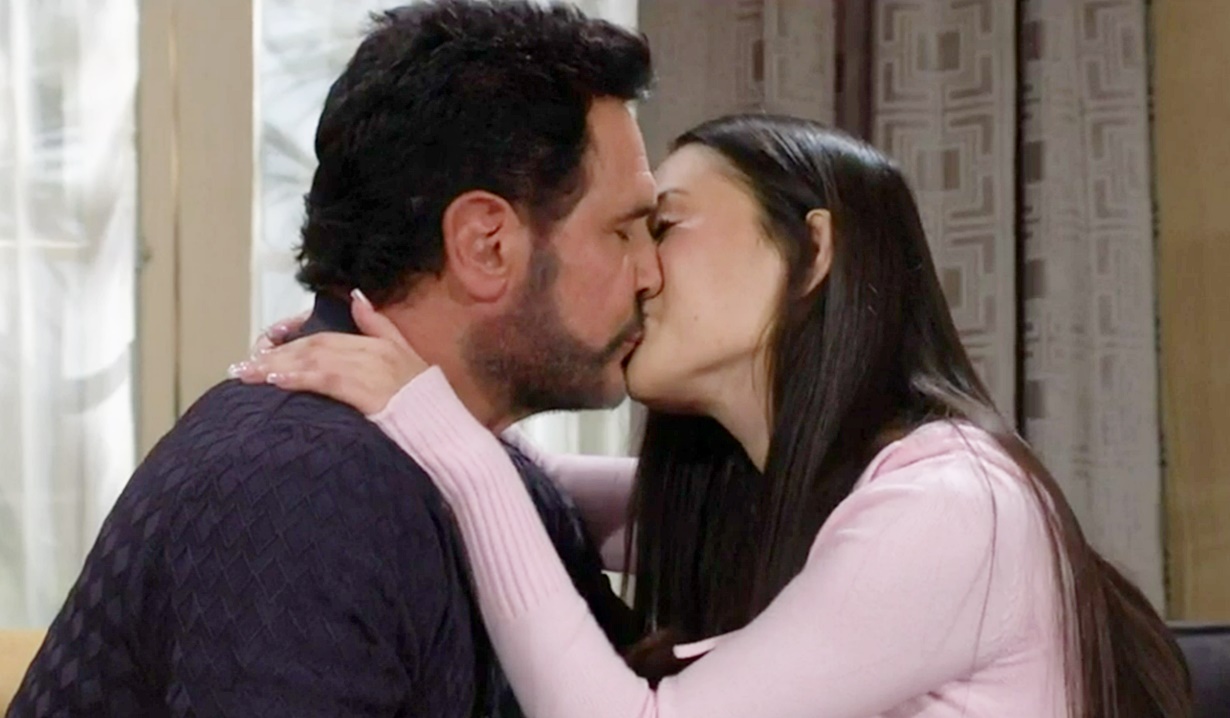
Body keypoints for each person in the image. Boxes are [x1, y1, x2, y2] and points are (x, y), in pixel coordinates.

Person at [243, 116, 1193, 717]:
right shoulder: (803, 492)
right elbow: (544, 494)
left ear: (812, 250)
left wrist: (433, 422)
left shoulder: (952, 505)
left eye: (665, 226)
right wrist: (402, 388)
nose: (640, 270)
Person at [9, 2, 658, 716]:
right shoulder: (299, 489)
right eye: (625, 231)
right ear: (485, 245)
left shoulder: (489, 479)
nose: (653, 274)